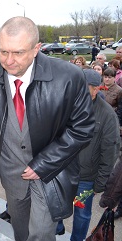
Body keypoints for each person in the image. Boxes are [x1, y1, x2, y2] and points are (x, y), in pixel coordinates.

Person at [0, 16, 95, 241]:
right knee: (21, 232)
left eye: (18, 52)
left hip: (51, 174)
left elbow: (83, 128)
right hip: (11, 175)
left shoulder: (69, 78)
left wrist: (44, 163)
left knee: (41, 234)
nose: (9, 61)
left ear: (36, 49)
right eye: (3, 52)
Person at [56, 69, 120, 240]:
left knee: (81, 215)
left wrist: (101, 181)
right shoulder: (67, 104)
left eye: (82, 88)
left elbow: (110, 151)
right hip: (62, 170)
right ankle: (58, 226)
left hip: (86, 177)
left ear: (96, 89)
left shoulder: (107, 115)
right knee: (55, 205)